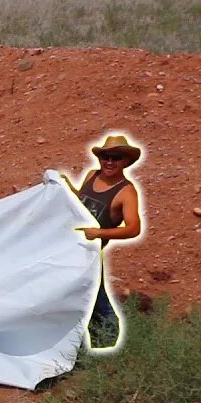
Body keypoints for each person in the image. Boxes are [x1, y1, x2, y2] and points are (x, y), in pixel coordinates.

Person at [62, 134, 144, 349]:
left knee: (98, 301)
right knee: (75, 297)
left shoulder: (126, 192)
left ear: (125, 161)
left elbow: (134, 228)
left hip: (89, 255)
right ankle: (87, 342)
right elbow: (81, 204)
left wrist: (99, 233)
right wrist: (66, 186)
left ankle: (109, 347)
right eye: (105, 156)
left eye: (115, 157)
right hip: (67, 250)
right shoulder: (92, 175)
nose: (109, 161)